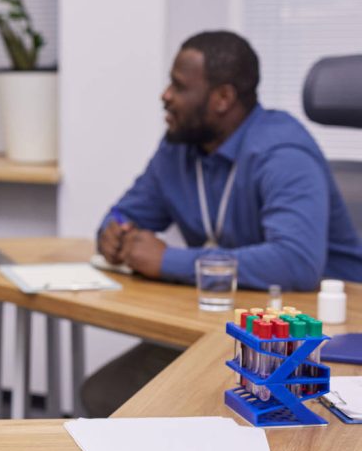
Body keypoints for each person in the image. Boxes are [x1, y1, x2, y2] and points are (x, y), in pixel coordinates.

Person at [84, 30, 362, 417]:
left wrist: (168, 261)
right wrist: (112, 233)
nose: (165, 95)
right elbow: (123, 214)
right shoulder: (178, 146)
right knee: (102, 394)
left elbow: (296, 261)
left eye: (178, 87)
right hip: (232, 326)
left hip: (313, 344)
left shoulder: (282, 150)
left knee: (179, 410)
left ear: (223, 98)